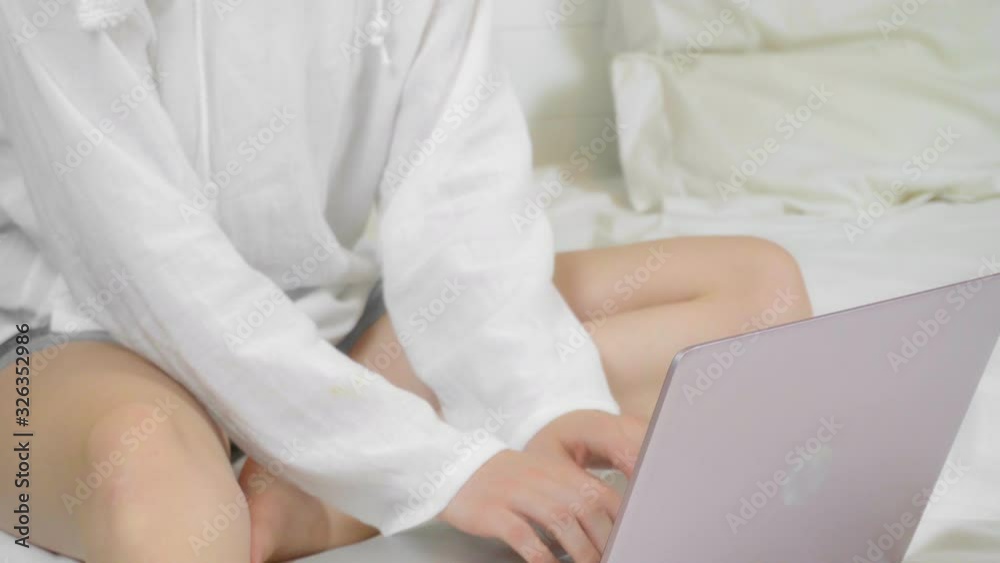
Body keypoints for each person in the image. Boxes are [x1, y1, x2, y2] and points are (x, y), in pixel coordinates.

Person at [0, 0, 812, 561]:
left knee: (756, 292)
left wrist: (549, 407)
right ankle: (329, 469)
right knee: (160, 491)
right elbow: (148, 268)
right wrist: (439, 466)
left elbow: (461, 199)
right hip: (86, 338)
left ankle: (306, 485)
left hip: (333, 323)